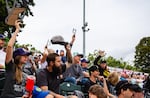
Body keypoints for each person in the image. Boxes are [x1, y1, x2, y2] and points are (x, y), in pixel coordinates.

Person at [0, 20, 32, 98]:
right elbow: (10, 46)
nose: (26, 58)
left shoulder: (24, 73)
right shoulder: (11, 67)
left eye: (27, 56)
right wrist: (17, 29)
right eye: (24, 56)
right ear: (17, 57)